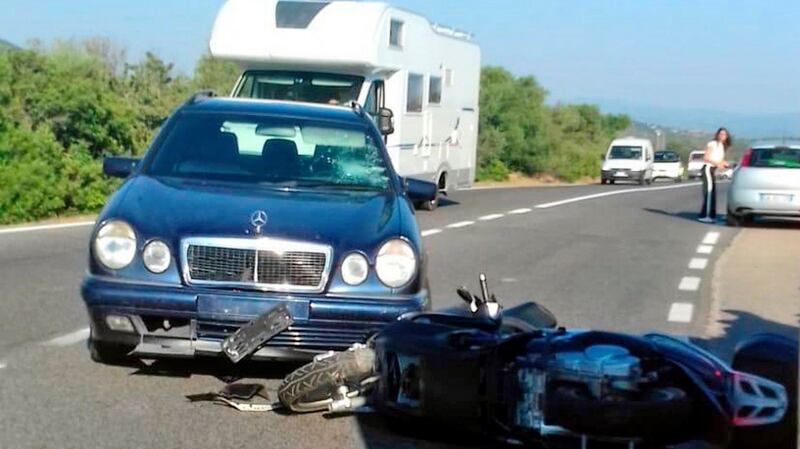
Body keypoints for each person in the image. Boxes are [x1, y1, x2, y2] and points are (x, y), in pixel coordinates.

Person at [698, 127, 731, 222]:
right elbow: (706, 157)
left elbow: (719, 160)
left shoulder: (722, 146)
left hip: (713, 169)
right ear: (717, 135)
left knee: (712, 192)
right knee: (709, 192)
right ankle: (705, 216)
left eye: (724, 134)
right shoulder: (713, 144)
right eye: (721, 134)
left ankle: (711, 215)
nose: (722, 136)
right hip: (708, 168)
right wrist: (717, 163)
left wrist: (725, 164)